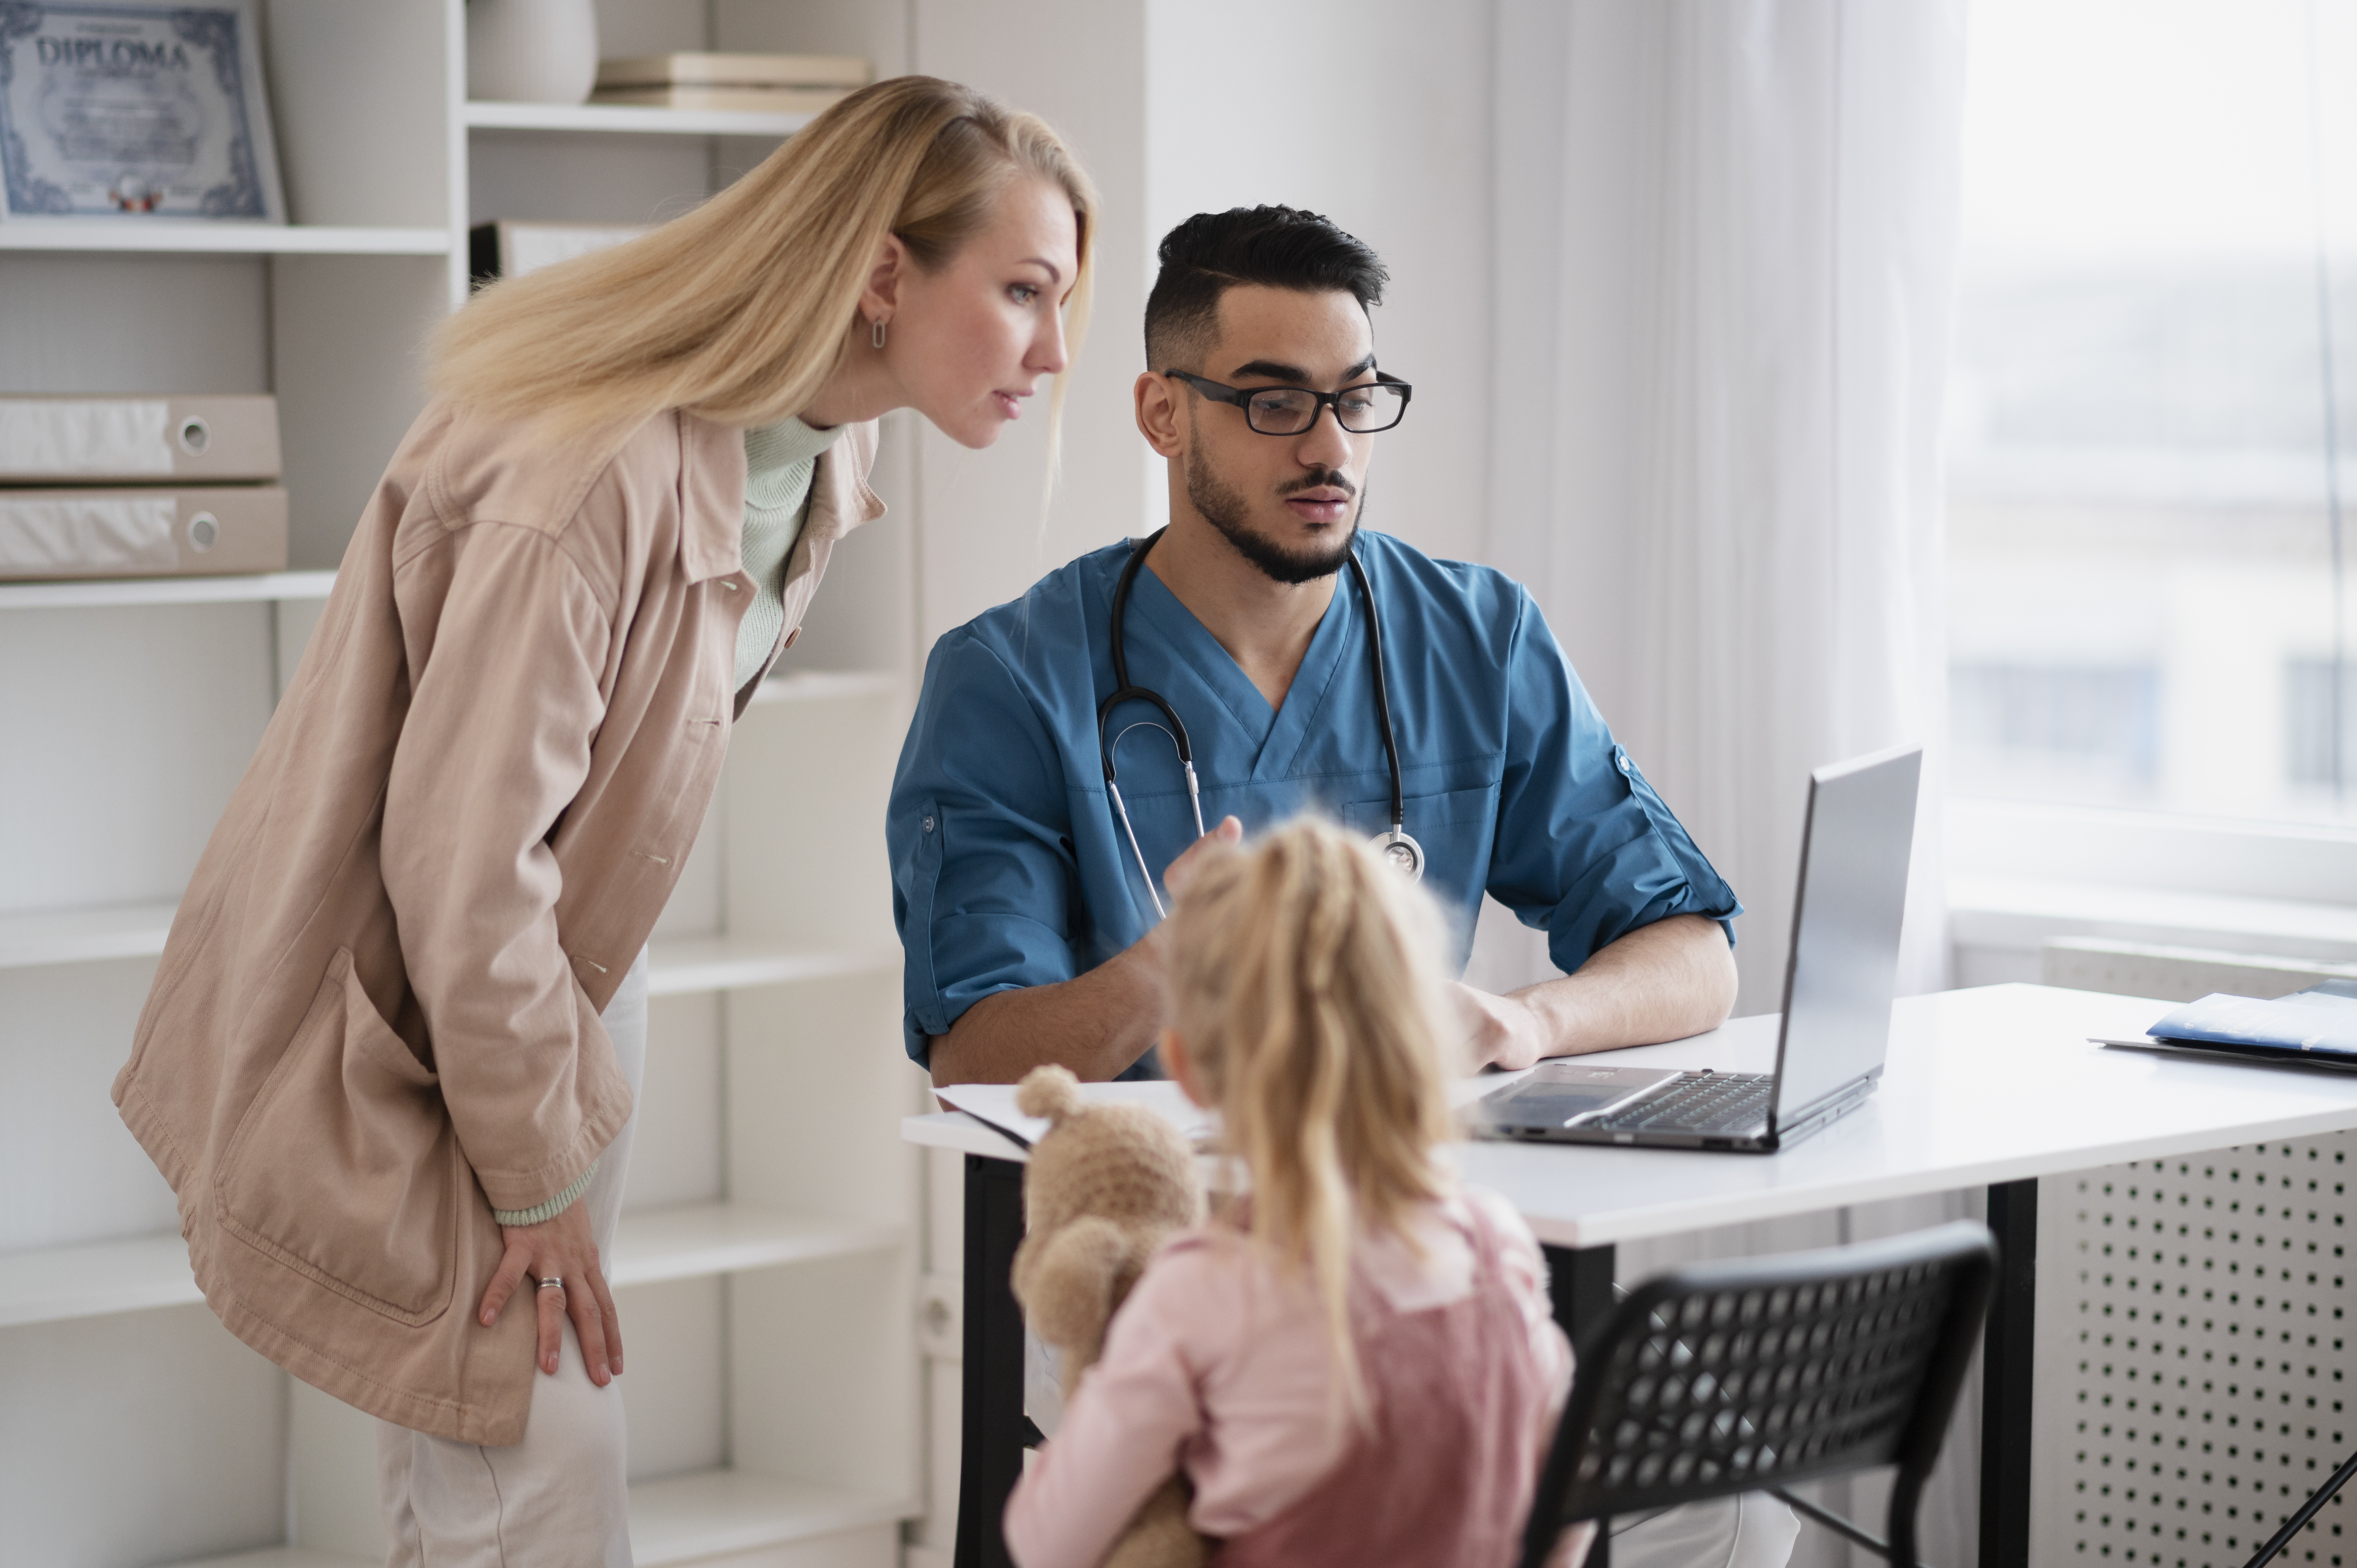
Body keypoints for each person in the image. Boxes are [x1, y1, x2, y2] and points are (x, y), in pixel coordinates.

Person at [112, 77, 1094, 1566]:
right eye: (1023, 291)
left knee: (485, 1466)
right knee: (539, 1462)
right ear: (884, 273)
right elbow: (461, 866)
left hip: (557, 976)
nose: (1054, 349)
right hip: (435, 990)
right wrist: (542, 1170)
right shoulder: (589, 475)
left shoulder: (834, 440)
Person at [891, 204, 1742, 1088]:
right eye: (1276, 403)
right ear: (1162, 416)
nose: (1329, 447)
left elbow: (1693, 955)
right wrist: (1169, 966)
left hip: (1398, 1202)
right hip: (1146, 1211)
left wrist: (1527, 1021)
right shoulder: (1011, 679)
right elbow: (972, 1058)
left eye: (1355, 399)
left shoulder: (1476, 639)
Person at [1002, 817, 1587, 1568]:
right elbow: (1566, 1507)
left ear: (1186, 1065)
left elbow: (1045, 1541)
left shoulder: (1200, 1292)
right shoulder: (1496, 1249)